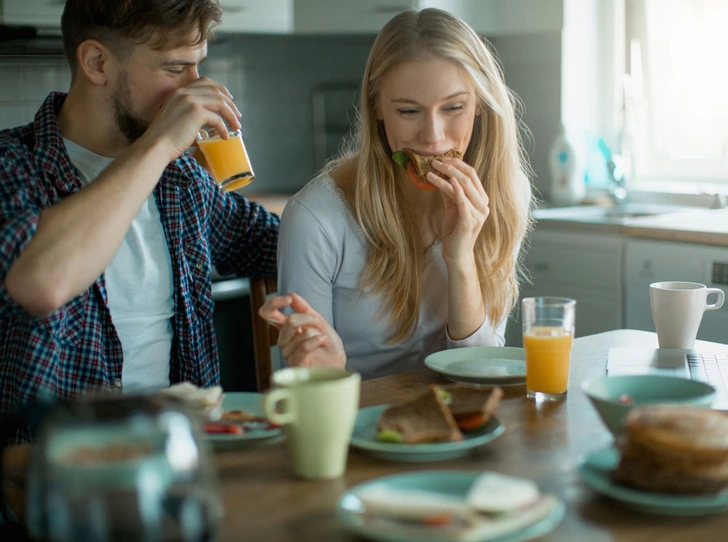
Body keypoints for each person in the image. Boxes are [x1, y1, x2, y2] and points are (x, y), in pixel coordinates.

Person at [0, 0, 278, 433]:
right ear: (96, 62)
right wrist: (161, 143)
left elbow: (279, 243)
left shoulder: (181, 180)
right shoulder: (12, 167)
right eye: (174, 70)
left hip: (181, 464)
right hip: (50, 484)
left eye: (197, 66)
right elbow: (41, 282)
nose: (195, 88)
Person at [260, 8, 533, 380]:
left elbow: (479, 374)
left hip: (463, 423)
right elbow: (308, 384)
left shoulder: (502, 194)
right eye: (408, 110)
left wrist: (461, 258)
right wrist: (328, 365)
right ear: (377, 108)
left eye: (454, 107)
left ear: (480, 105)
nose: (433, 137)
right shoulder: (316, 218)